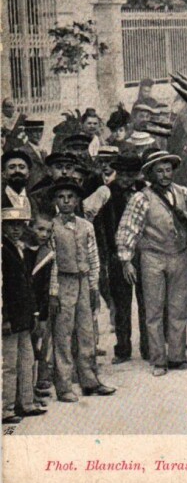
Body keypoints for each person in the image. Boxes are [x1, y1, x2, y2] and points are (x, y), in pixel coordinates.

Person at [116, 149, 187, 377]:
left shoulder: (183, 193)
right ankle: (158, 360)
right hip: (152, 257)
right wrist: (126, 261)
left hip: (178, 255)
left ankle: (178, 357)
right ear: (150, 174)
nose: (164, 175)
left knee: (179, 308)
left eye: (168, 170)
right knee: (153, 311)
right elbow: (127, 229)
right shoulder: (141, 198)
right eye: (159, 171)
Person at [48, 178, 116, 402]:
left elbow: (93, 256)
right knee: (63, 334)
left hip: (83, 281)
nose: (66, 201)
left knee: (87, 332)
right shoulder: (52, 227)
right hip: (64, 282)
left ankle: (89, 380)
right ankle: (64, 385)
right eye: (61, 197)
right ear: (56, 201)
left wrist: (94, 285)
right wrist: (54, 292)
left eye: (71, 197)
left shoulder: (86, 226)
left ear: (77, 200)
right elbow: (53, 261)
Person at [92, 154, 149, 365]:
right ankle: (123, 349)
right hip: (117, 254)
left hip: (143, 252)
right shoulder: (107, 192)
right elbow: (94, 219)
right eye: (122, 174)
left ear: (137, 174)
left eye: (130, 174)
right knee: (121, 303)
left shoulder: (145, 190)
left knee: (146, 301)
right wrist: (106, 251)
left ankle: (148, 347)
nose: (126, 179)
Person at [2, 205, 48, 425]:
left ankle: (26, 403)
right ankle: (6, 408)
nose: (15, 229)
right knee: (9, 364)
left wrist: (33, 313)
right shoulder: (3, 250)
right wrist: (5, 317)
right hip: (9, 318)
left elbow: (27, 286)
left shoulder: (20, 249)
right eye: (10, 225)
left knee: (26, 360)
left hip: (23, 317)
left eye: (19, 225)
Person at [25, 212, 57, 402]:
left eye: (48, 231)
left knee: (38, 345)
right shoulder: (24, 251)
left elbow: (46, 286)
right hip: (26, 307)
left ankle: (35, 384)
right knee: (27, 350)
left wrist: (43, 313)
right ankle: (26, 389)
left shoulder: (47, 253)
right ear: (31, 228)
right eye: (40, 229)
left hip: (40, 306)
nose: (44, 234)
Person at [19, 118, 48, 187]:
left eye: (40, 131)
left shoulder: (43, 152)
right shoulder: (22, 151)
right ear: (27, 132)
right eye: (35, 131)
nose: (38, 135)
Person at [2, 149, 33, 214]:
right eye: (11, 167)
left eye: (22, 167)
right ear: (3, 174)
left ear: (28, 173)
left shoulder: (36, 200)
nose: (17, 171)